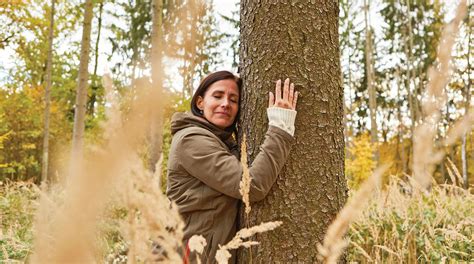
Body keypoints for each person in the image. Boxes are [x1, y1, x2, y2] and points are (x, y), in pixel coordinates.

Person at [166, 70, 298, 263]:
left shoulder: (220, 142)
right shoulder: (191, 140)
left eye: (233, 99)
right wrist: (280, 128)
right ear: (200, 103)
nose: (225, 104)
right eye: (217, 96)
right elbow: (251, 186)